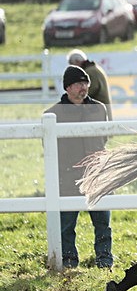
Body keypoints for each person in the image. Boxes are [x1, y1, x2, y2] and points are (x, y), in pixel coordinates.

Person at [45, 65, 113, 268]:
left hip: (96, 174)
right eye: (78, 84)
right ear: (67, 88)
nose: (83, 87)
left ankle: (104, 260)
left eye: (85, 83)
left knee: (102, 222)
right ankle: (68, 261)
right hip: (68, 175)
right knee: (67, 223)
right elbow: (48, 147)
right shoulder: (53, 114)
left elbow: (104, 137)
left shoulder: (99, 108)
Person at [66, 49, 113, 120]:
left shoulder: (89, 72)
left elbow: (87, 92)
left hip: (98, 115)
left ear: (77, 62)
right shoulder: (94, 69)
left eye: (73, 65)